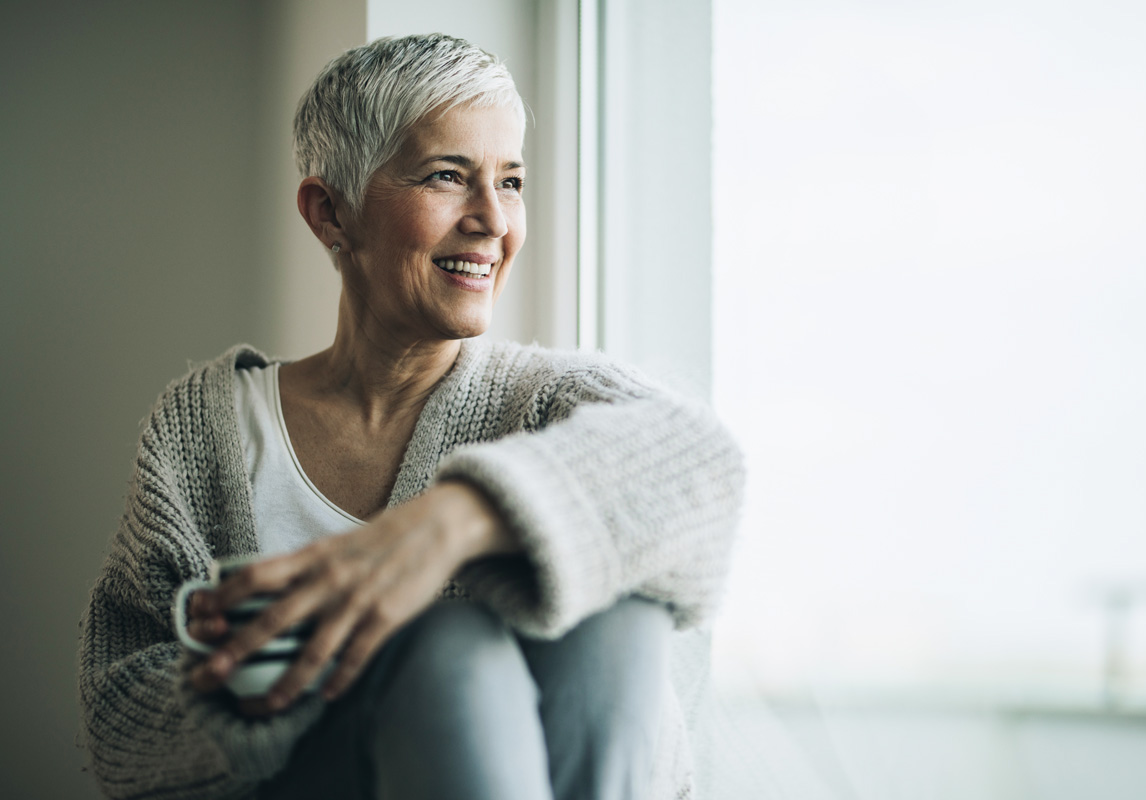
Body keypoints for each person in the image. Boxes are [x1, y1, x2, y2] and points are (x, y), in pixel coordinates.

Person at [78, 33, 743, 800]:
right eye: (447, 176)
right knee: (448, 646)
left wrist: (444, 527)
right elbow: (119, 714)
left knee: (616, 621)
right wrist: (327, 666)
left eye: (512, 181)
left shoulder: (547, 402)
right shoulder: (205, 428)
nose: (493, 220)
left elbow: (702, 461)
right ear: (332, 212)